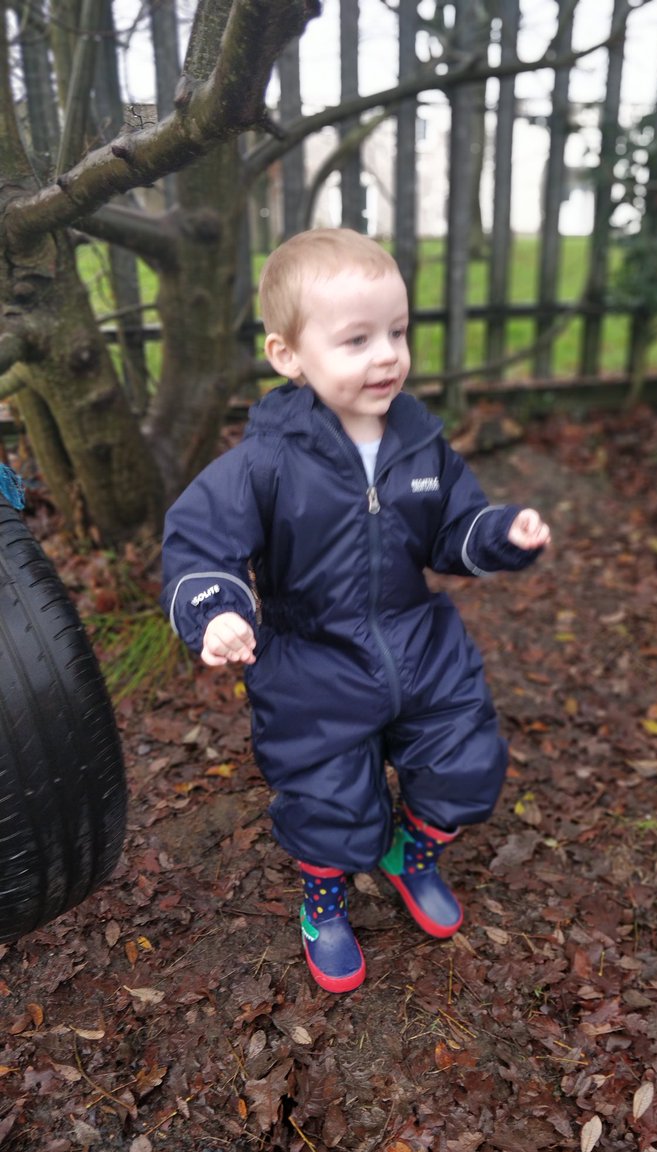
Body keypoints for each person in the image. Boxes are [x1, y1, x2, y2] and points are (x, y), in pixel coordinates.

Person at [161, 228, 551, 994]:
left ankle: (413, 854)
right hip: (312, 661)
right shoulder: (265, 463)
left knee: (466, 761)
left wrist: (501, 533)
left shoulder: (420, 445)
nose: (387, 356)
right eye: (357, 339)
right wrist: (216, 612)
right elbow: (200, 541)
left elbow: (451, 531)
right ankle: (326, 903)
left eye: (398, 333)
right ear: (289, 356)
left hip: (419, 641)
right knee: (327, 796)